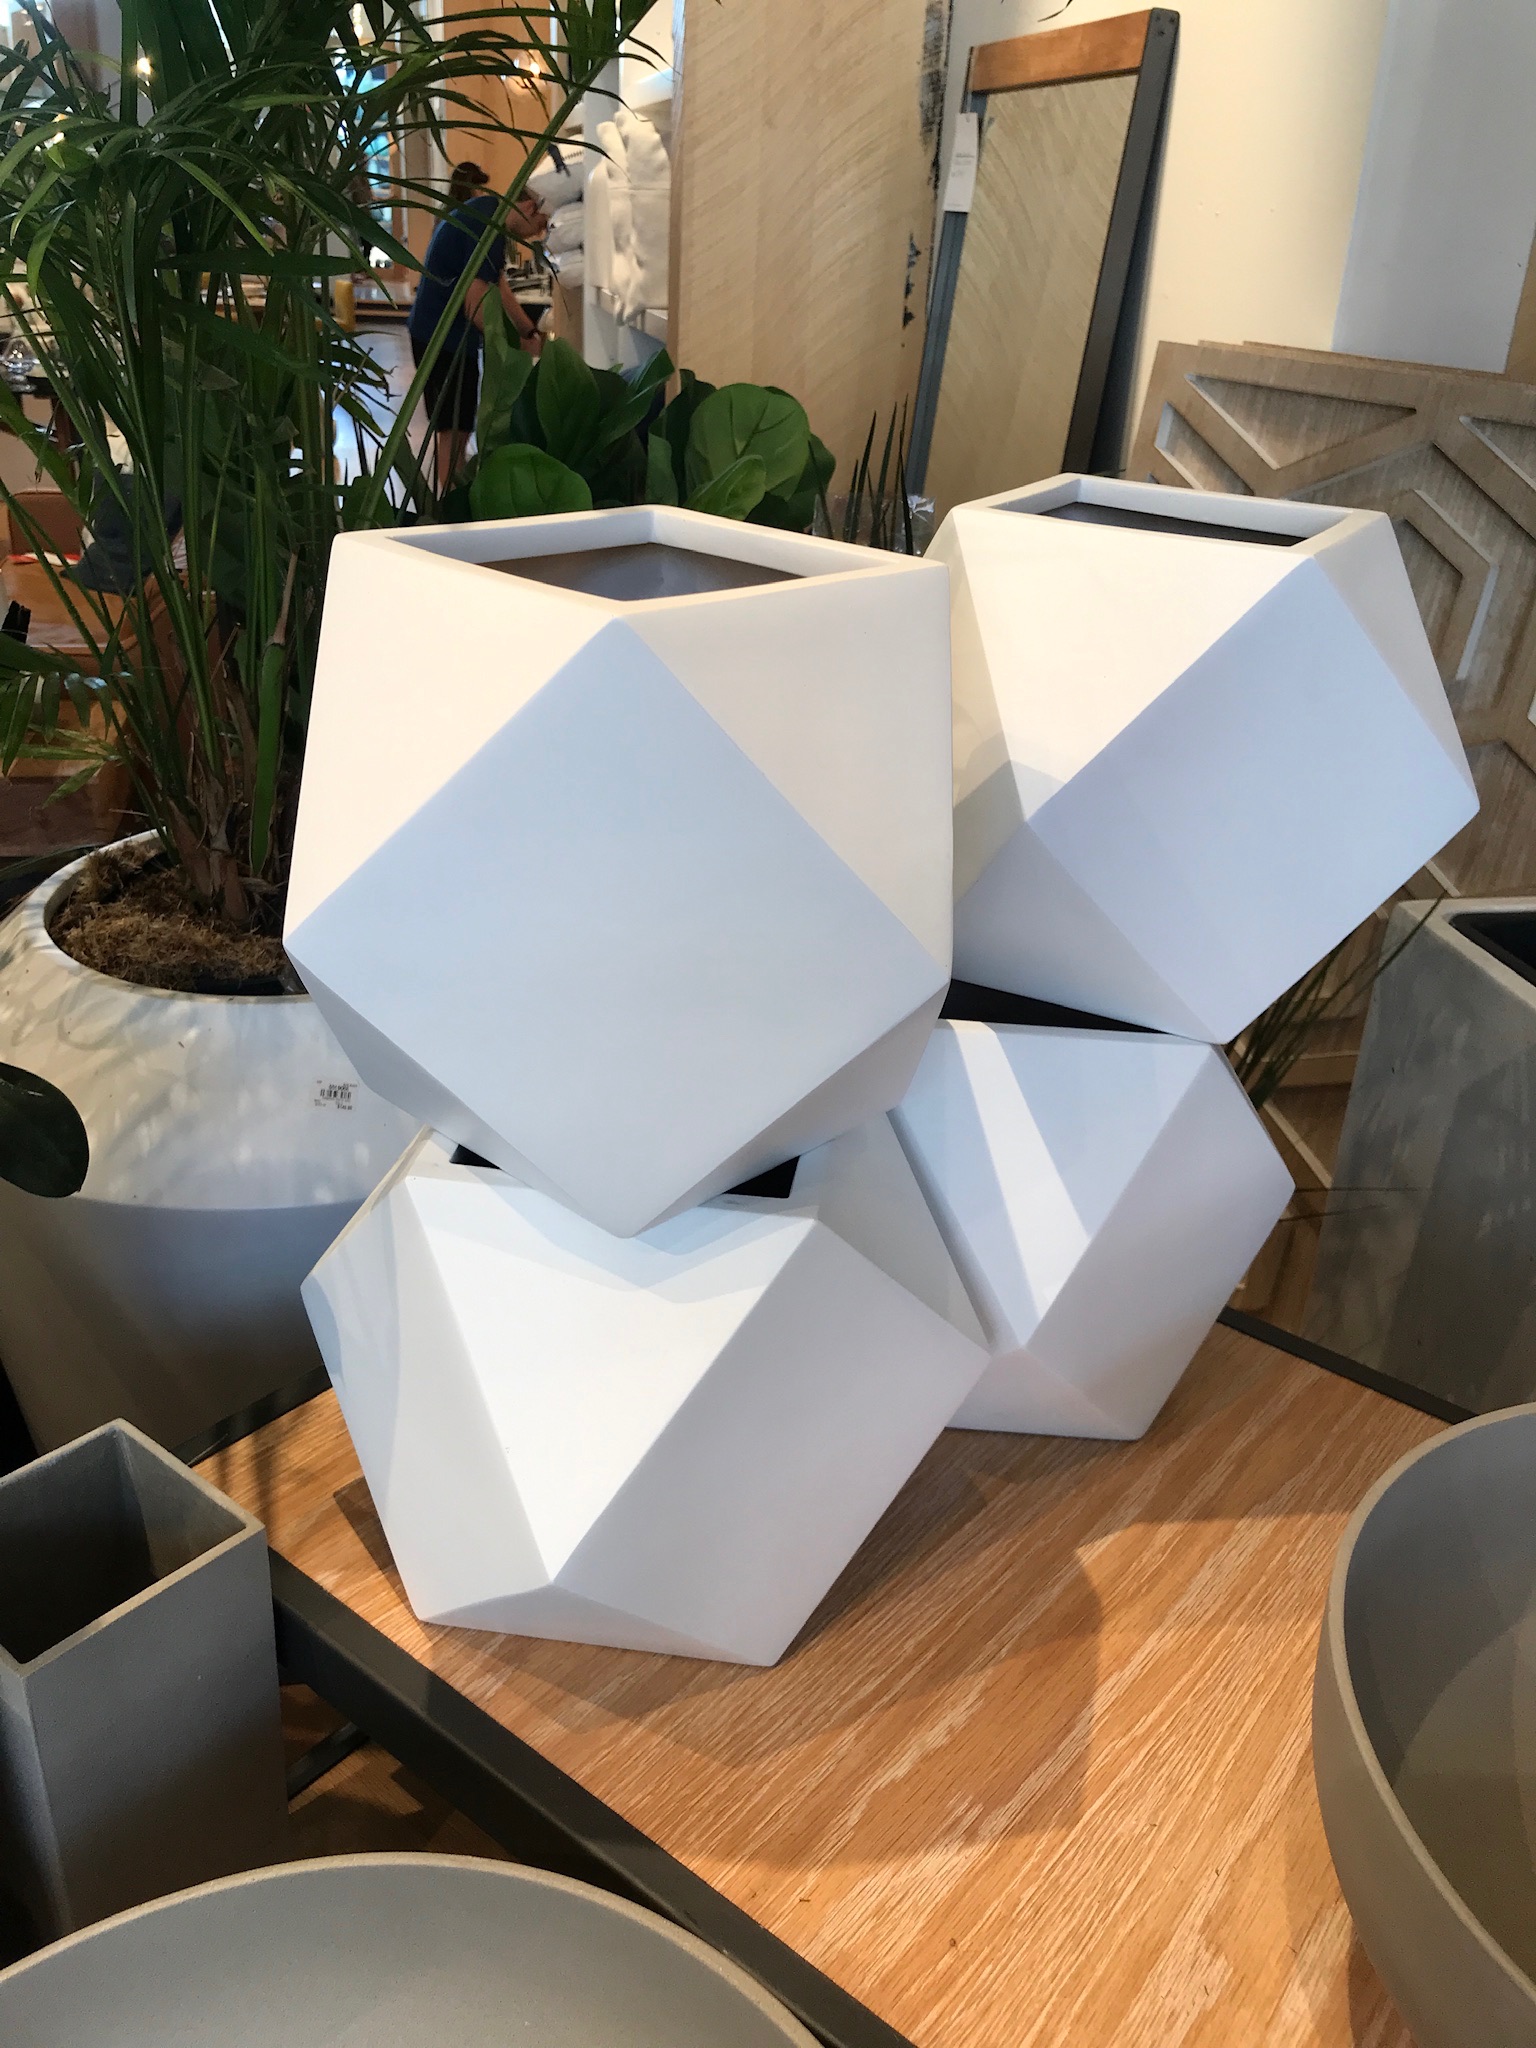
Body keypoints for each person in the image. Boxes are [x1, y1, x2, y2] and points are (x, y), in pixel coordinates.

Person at [408, 161, 549, 490]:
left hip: (441, 334)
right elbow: (475, 304)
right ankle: (449, 509)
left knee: (458, 426)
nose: (539, 234)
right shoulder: (487, 224)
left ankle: (452, 499)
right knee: (453, 431)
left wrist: (527, 329)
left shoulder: (489, 215)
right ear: (529, 206)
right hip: (442, 339)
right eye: (542, 224)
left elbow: (495, 282)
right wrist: (511, 351)